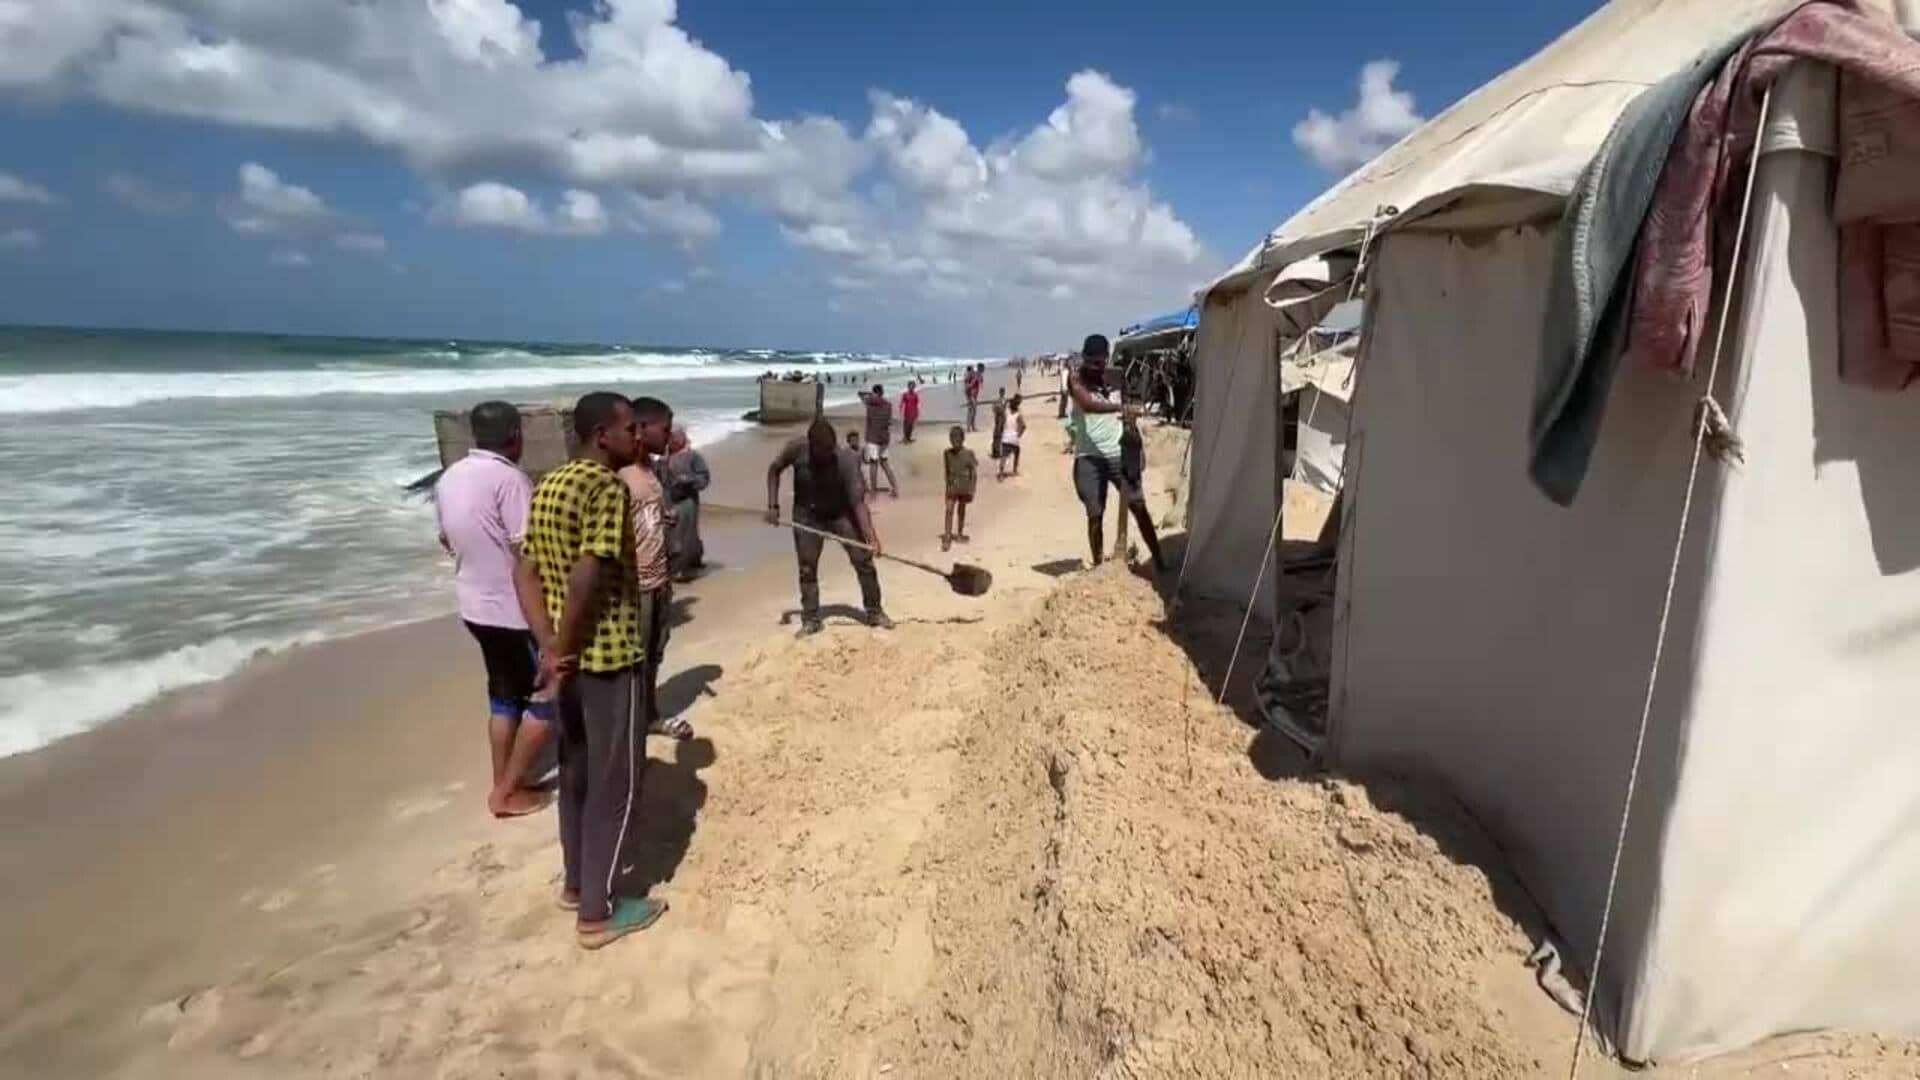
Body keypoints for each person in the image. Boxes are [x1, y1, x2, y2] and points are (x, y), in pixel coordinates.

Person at [512, 391, 668, 949]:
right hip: (608, 655)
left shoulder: (550, 483)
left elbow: (524, 570)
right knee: (615, 782)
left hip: (567, 659)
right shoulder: (606, 488)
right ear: (603, 435)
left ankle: (578, 885)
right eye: (629, 430)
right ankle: (598, 915)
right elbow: (587, 575)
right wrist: (566, 646)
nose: (636, 437)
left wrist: (548, 646)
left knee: (576, 770)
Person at [434, 400, 553, 819]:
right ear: (515, 435)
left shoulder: (449, 478)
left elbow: (446, 540)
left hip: (472, 605)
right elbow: (528, 554)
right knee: (546, 693)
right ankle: (506, 792)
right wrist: (547, 631)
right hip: (511, 608)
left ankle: (504, 781)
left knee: (503, 696)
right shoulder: (510, 479)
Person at [766, 418, 892, 635]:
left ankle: (875, 611)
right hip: (807, 514)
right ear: (811, 445)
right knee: (807, 568)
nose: (827, 454)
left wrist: (871, 537)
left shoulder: (846, 460)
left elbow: (857, 503)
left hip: (840, 513)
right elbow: (774, 469)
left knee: (863, 561)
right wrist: (773, 505)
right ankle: (811, 618)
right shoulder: (797, 449)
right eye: (822, 450)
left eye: (830, 449)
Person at [616, 398, 694, 745]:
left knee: (655, 653)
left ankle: (647, 716)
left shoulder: (652, 470)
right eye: (665, 428)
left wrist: (665, 520)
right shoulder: (618, 474)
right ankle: (629, 726)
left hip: (660, 579)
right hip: (636, 587)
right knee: (634, 660)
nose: (669, 434)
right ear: (642, 429)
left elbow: (646, 515)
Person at [1068, 334, 1166, 571]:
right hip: (1088, 457)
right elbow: (1088, 405)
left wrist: (1137, 448)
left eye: (1099, 363)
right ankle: (1099, 564)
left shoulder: (1116, 378)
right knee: (1094, 513)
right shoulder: (1075, 379)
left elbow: (1129, 417)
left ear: (1106, 360)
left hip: (1117, 452)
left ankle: (1159, 560)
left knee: (1138, 507)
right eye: (1091, 362)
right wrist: (1118, 406)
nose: (1095, 368)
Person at [659, 425, 710, 583]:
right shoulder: (662, 458)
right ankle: (674, 565)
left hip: (687, 500)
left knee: (686, 533)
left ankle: (684, 565)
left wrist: (689, 480)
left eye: (676, 436)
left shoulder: (693, 456)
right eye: (670, 436)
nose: (672, 439)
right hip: (667, 499)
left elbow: (704, 478)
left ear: (683, 438)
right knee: (670, 532)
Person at [857, 383, 901, 498]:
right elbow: (889, 421)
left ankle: (873, 491)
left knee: (873, 464)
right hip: (884, 437)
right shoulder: (888, 405)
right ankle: (895, 487)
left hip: (872, 437)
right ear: (882, 393)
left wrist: (870, 395)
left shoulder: (869, 403)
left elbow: (860, 394)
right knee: (885, 463)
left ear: (874, 393)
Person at [942, 425, 977, 552]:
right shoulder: (947, 453)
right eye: (952, 438)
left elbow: (973, 472)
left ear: (962, 439)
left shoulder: (969, 453)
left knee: (961, 510)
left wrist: (972, 489)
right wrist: (947, 486)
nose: (954, 441)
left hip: (964, 486)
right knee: (949, 510)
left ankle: (960, 533)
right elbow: (946, 471)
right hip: (952, 486)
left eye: (957, 438)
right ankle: (947, 536)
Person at [998, 393, 1026, 480]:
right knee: (1017, 452)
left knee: (1003, 456)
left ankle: (1001, 473)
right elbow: (1024, 426)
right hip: (1014, 438)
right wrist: (1019, 435)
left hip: (1005, 438)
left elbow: (1001, 425)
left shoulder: (1006, 414)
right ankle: (1014, 470)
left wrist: (1001, 433)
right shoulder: (1018, 415)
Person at [989, 386, 1008, 460]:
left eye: (1003, 392)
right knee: (998, 435)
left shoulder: (1003, 400)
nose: (1002, 393)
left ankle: (997, 451)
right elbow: (995, 409)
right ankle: (996, 452)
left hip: (1001, 419)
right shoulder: (999, 401)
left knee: (999, 435)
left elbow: (997, 409)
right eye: (1002, 392)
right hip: (999, 419)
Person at [964, 364, 982, 431]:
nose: (973, 371)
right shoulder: (968, 376)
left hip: (973, 396)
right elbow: (967, 387)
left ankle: (972, 427)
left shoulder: (974, 375)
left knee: (973, 411)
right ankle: (969, 427)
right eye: (972, 370)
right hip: (970, 396)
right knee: (971, 411)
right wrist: (970, 397)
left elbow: (977, 386)